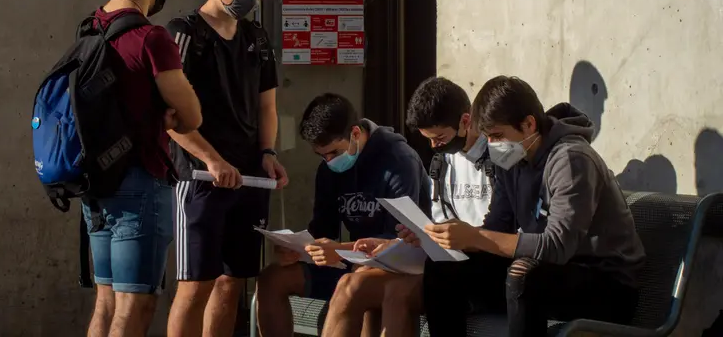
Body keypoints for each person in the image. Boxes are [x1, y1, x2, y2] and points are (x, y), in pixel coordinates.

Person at [412, 75, 646, 337]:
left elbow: (557, 247)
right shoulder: (510, 159)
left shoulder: (571, 159)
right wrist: (441, 237)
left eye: (498, 136)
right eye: (488, 137)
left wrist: (475, 237)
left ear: (529, 124)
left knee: (524, 275)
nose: (492, 146)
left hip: (606, 285)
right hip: (546, 275)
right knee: (443, 268)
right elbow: (497, 228)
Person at [165, 0, 288, 337]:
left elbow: (267, 107)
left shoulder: (257, 37)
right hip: (201, 180)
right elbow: (167, 117)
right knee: (194, 286)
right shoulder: (184, 33)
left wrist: (267, 152)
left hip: (249, 179)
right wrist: (211, 160)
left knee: (231, 282)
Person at [85, 0, 203, 337]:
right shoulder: (151, 37)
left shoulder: (90, 28)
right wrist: (166, 116)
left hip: (95, 185)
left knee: (105, 302)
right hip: (139, 184)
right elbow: (191, 115)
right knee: (134, 305)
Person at [321, 77, 496, 337]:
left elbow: (503, 229)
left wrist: (456, 238)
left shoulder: (496, 158)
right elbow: (437, 226)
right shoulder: (443, 162)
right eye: (429, 139)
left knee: (397, 293)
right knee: (352, 283)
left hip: (481, 266)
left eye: (439, 137)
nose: (434, 146)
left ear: (465, 121)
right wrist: (396, 244)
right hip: (442, 262)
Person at [255, 93, 431, 337]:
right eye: (322, 156)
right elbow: (322, 229)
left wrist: (338, 250)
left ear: (355, 134)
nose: (329, 161)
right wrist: (300, 249)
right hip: (352, 258)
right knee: (272, 278)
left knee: (356, 283)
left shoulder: (399, 161)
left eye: (334, 153)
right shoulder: (329, 169)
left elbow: (399, 242)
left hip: (400, 266)